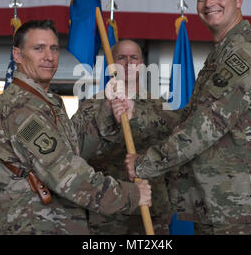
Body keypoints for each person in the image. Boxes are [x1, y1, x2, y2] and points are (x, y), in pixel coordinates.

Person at [124, 0, 251, 235]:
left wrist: (146, 163)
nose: (208, 3)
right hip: (221, 204)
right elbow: (189, 117)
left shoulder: (245, 50)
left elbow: (207, 124)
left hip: (244, 206)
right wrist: (136, 113)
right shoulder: (221, 54)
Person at [0, 20, 151, 235]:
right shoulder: (20, 107)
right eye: (38, 48)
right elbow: (66, 174)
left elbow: (74, 150)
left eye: (53, 48)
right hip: (29, 225)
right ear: (17, 55)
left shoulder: (46, 101)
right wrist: (131, 196)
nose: (49, 56)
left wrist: (109, 113)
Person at [71, 39, 183, 234]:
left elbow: (177, 151)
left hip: (150, 208)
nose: (128, 63)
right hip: (105, 207)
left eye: (134, 58)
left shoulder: (160, 106)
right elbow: (74, 148)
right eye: (121, 58)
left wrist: (172, 202)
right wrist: (106, 111)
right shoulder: (91, 105)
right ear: (111, 64)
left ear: (142, 65)